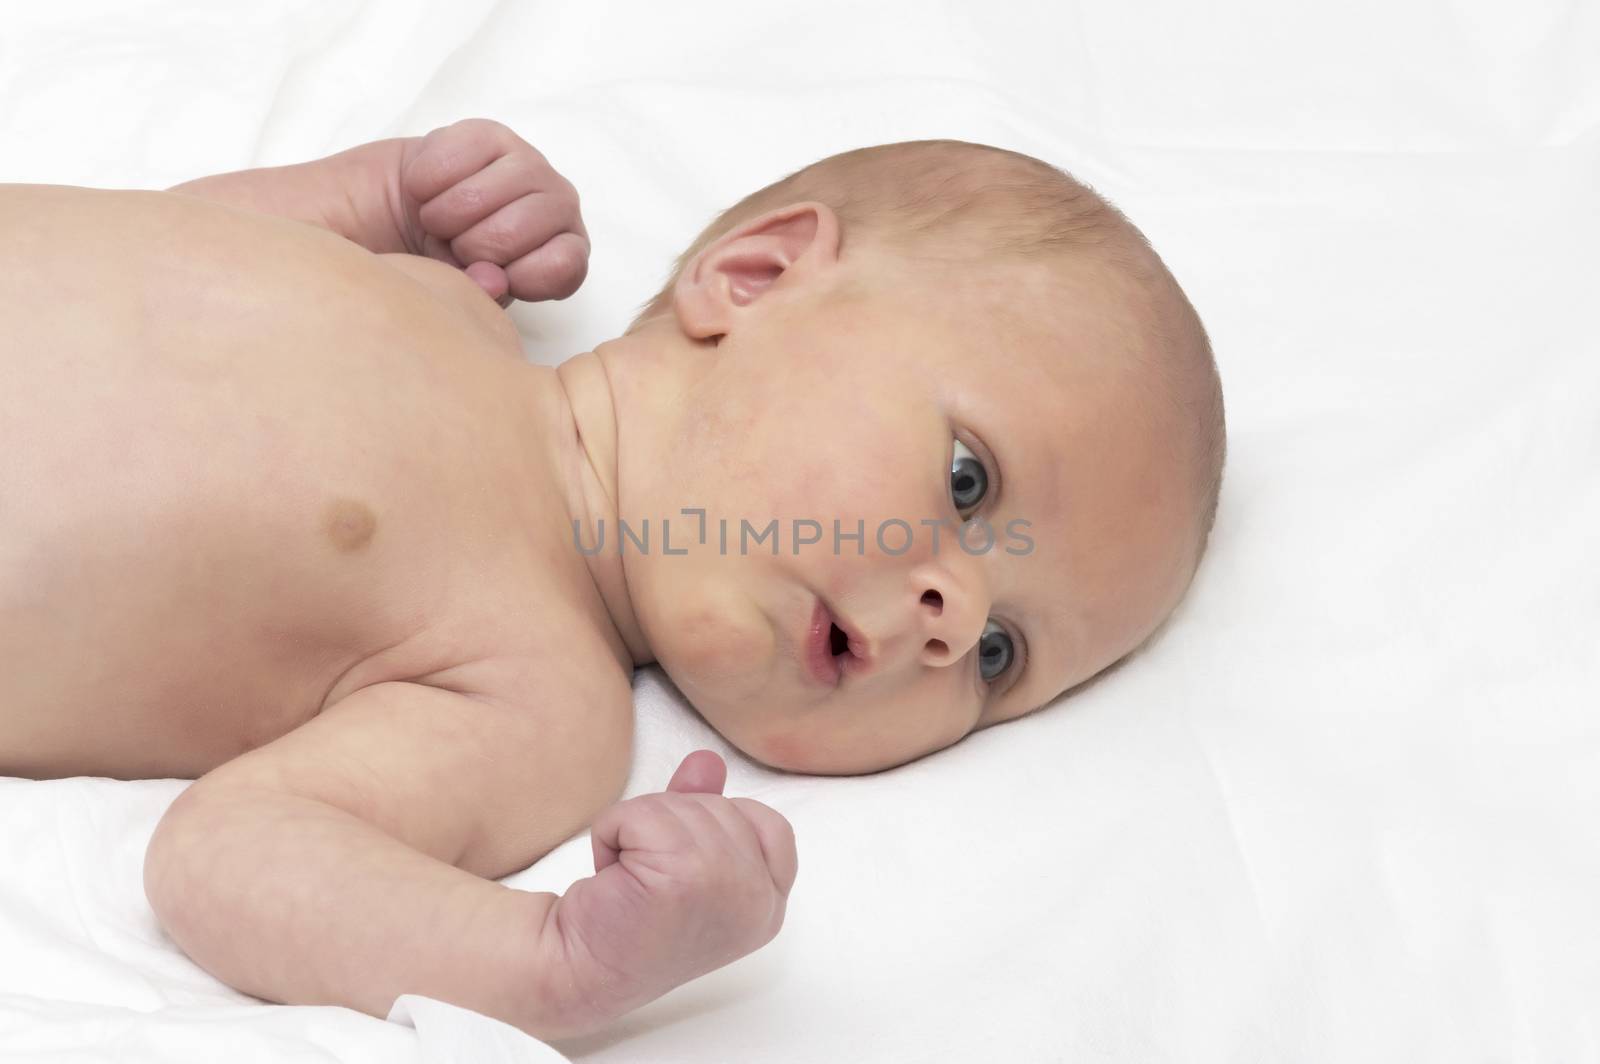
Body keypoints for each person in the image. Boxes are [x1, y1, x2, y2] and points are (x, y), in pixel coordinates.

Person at [0, 117, 1224, 1040]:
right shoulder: (446, 302)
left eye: (1005, 656)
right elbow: (177, 245)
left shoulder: (536, 702)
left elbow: (225, 856)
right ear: (753, 278)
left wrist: (559, 960)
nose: (958, 617)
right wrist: (378, 192)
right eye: (968, 482)